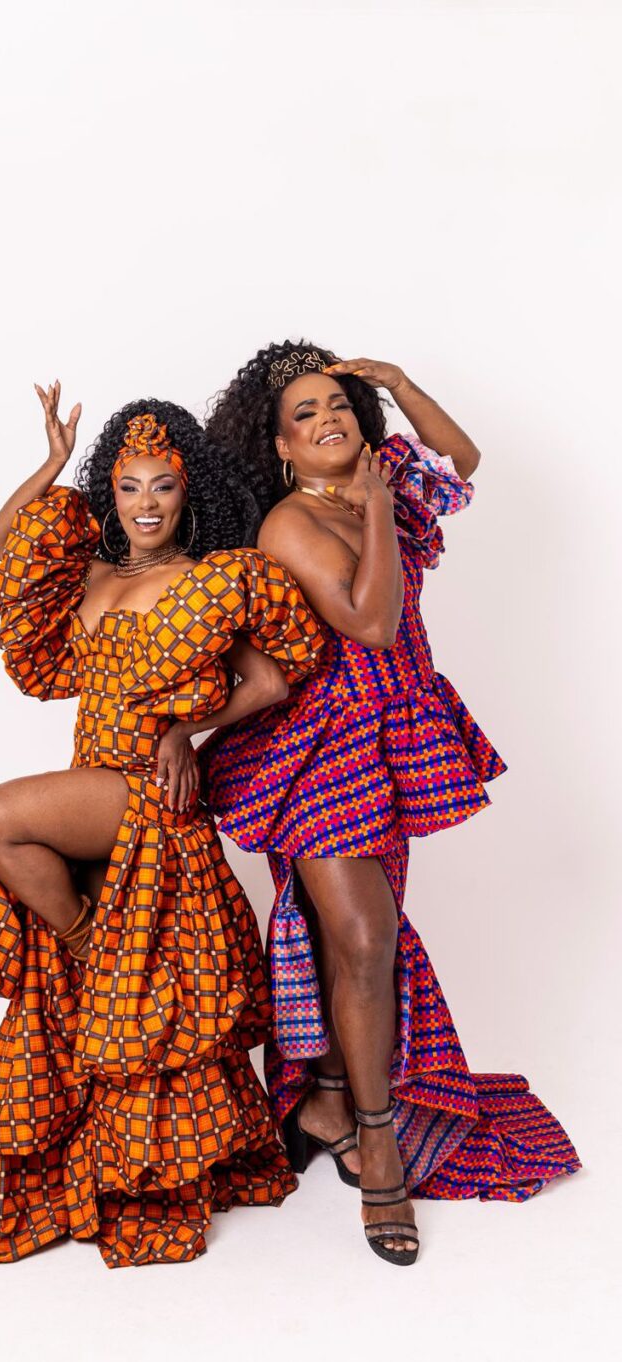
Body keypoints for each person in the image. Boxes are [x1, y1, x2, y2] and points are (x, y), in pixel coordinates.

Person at [201, 342, 580, 1266]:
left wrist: (401, 387)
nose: (328, 418)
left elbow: (464, 461)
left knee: (352, 938)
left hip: (393, 734)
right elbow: (371, 622)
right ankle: (378, 1148)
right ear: (281, 447)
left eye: (338, 403)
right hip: (316, 747)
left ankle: (325, 1098)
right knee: (367, 941)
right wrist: (374, 506)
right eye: (305, 414)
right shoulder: (293, 522)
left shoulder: (383, 486)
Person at [0, 382, 324, 1269]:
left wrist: (188, 732)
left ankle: (85, 940)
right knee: (19, 860)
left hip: (145, 791)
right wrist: (53, 463)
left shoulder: (215, 580)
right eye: (130, 486)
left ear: (191, 492)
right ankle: (95, 965)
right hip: (91, 783)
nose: (147, 504)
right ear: (110, 491)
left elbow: (272, 678)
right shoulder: (92, 572)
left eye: (164, 486)